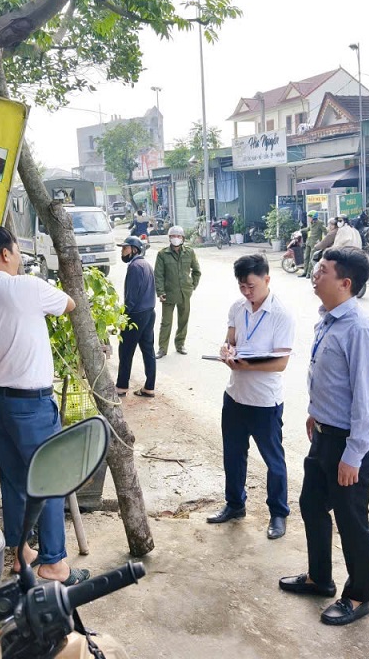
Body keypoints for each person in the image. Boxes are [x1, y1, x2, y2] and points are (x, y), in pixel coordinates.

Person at [0, 224, 87, 584]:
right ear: (5, 253)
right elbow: (69, 304)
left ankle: (21, 554)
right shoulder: (25, 287)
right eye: (15, 251)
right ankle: (54, 562)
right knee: (51, 478)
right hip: (31, 406)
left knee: (14, 480)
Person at [279, 247, 369, 627]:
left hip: (350, 441)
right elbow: (332, 379)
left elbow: (365, 399)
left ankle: (358, 596)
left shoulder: (359, 328)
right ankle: (320, 578)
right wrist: (316, 412)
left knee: (352, 519)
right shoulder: (328, 319)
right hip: (324, 433)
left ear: (345, 283)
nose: (314, 274)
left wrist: (353, 455)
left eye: (322, 270)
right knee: (311, 505)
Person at [208, 253, 296, 539]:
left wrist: (250, 365)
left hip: (264, 402)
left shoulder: (281, 314)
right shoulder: (238, 307)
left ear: (267, 279)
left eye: (252, 286)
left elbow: (281, 363)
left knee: (273, 460)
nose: (247, 293)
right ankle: (234, 504)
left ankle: (278, 513)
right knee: (233, 455)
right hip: (235, 396)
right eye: (242, 287)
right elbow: (230, 340)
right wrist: (226, 351)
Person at [115, 235, 157, 398]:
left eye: (125, 249)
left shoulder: (134, 267)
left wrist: (123, 318)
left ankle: (121, 387)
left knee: (126, 351)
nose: (122, 252)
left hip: (136, 315)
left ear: (134, 250)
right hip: (149, 312)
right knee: (148, 350)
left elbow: (131, 298)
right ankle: (149, 387)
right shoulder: (145, 264)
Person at [154, 225, 201, 358]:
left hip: (184, 293)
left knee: (183, 320)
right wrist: (160, 291)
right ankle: (162, 349)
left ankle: (180, 344)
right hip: (168, 294)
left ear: (183, 238)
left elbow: (196, 271)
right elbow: (158, 275)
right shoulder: (162, 254)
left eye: (178, 236)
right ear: (169, 238)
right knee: (166, 322)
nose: (176, 238)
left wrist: (192, 286)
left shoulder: (189, 252)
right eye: (173, 236)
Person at [301, 212, 324, 279]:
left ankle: (309, 273)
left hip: (315, 244)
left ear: (313, 217)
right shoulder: (311, 223)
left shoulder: (320, 223)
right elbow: (308, 229)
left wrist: (322, 241)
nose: (308, 219)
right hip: (309, 242)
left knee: (312, 258)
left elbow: (325, 231)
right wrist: (300, 230)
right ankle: (305, 272)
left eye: (309, 217)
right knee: (306, 257)